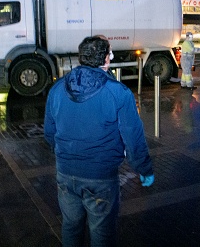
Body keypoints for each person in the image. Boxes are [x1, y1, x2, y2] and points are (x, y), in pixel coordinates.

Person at [44, 36, 154, 246]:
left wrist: (66, 154)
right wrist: (144, 168)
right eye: (110, 52)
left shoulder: (57, 89)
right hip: (100, 177)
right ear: (106, 59)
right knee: (102, 233)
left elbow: (49, 133)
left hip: (65, 173)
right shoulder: (118, 92)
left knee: (70, 226)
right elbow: (133, 137)